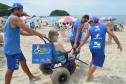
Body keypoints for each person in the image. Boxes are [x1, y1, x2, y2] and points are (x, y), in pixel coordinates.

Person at [4, 3, 46, 84]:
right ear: (17, 10)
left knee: (23, 61)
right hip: (12, 50)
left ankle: (31, 77)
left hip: (15, 48)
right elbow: (28, 30)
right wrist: (39, 34)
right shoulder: (15, 18)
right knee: (11, 69)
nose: (22, 12)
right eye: (21, 10)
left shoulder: (10, 18)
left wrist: (36, 34)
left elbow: (22, 32)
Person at [76, 17, 122, 82]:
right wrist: (118, 44)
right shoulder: (104, 27)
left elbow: (84, 40)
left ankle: (89, 73)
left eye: (90, 22)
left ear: (95, 21)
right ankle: (88, 77)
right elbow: (113, 35)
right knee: (95, 63)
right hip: (99, 48)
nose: (89, 23)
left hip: (92, 47)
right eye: (89, 22)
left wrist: (79, 47)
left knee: (93, 59)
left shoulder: (91, 29)